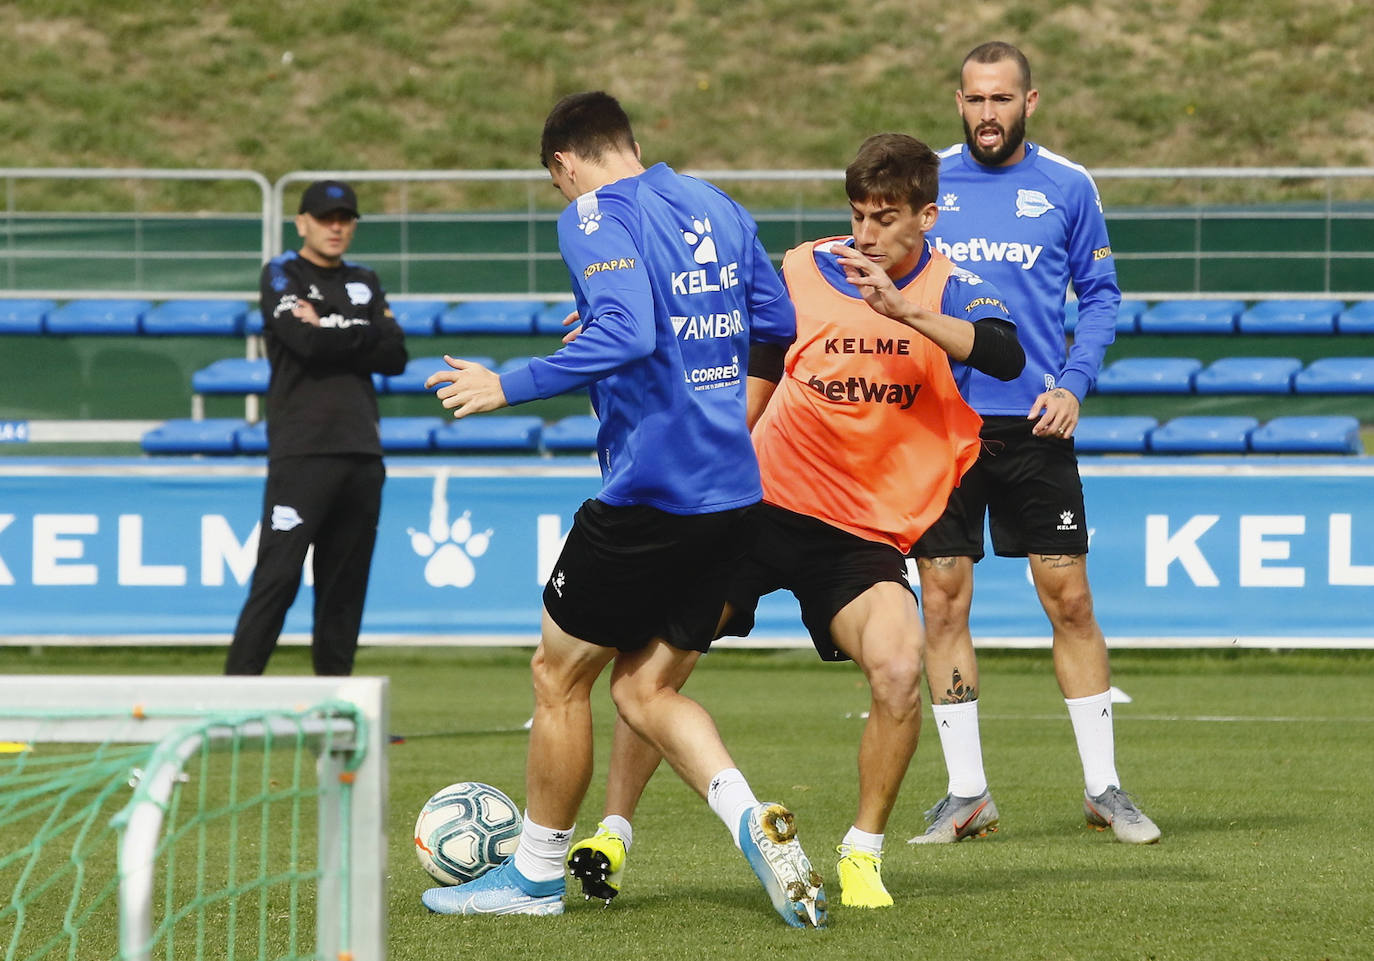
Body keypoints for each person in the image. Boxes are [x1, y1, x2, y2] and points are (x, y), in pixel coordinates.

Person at [566, 133, 1025, 910]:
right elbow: (712, 322)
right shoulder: (804, 265)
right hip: (756, 505)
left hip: (859, 532)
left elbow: (1007, 355)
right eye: (857, 214)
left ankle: (861, 853)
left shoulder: (955, 285)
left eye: (885, 217)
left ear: (928, 215)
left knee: (899, 670)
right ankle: (612, 831)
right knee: (649, 673)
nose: (867, 234)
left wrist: (903, 310)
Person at [419, 91, 825, 927]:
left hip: (648, 497)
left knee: (557, 673)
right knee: (644, 690)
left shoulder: (593, 214)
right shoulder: (714, 200)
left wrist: (511, 381)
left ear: (563, 163)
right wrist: (729, 416)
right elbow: (776, 323)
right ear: (631, 142)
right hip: (730, 495)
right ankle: (753, 819)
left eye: (555, 183)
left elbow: (631, 332)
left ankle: (532, 877)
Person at [907, 41, 1161, 845]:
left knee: (1071, 600)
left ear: (1031, 101)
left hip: (1036, 424)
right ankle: (968, 793)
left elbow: (1101, 293)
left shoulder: (1067, 185)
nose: (989, 114)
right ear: (958, 102)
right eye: (976, 100)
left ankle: (1103, 787)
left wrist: (1074, 382)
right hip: (941, 427)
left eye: (1003, 100)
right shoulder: (925, 184)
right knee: (942, 601)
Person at [224, 180, 408, 676]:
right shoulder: (281, 273)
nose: (336, 227)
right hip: (303, 452)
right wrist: (354, 329)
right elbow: (301, 342)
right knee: (278, 578)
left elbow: (395, 353)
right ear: (301, 222)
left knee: (344, 590)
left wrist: (327, 322)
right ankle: (230, 700)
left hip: (362, 452)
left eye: (345, 218)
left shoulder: (365, 279)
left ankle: (338, 710)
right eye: (325, 218)